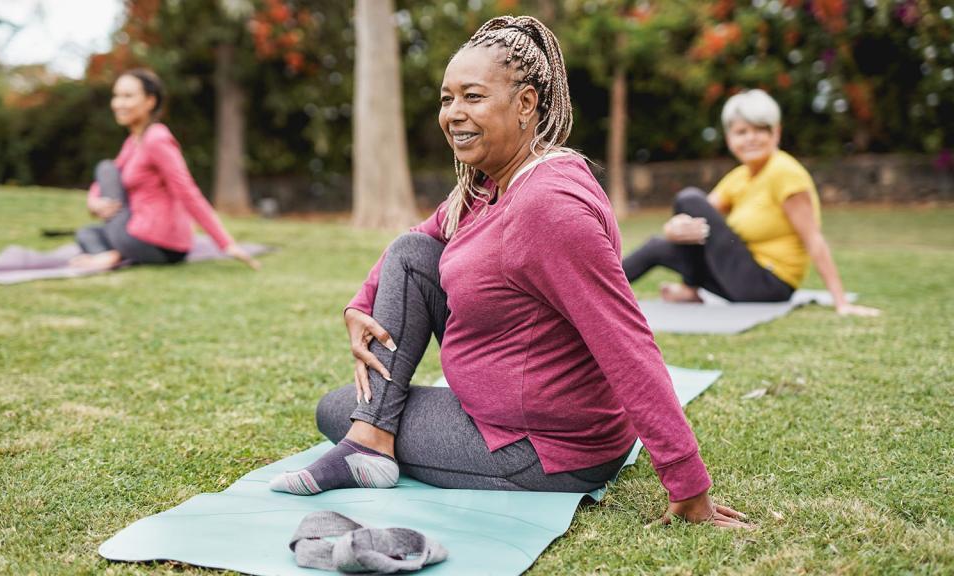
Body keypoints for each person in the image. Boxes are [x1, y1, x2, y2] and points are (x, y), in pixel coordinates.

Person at [270, 16, 749, 529]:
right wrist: (359, 304)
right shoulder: (489, 184)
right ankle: (371, 438)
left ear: (525, 104)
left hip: (544, 448)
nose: (454, 113)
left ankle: (369, 439)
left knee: (336, 408)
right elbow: (419, 239)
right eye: (446, 98)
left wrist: (688, 484)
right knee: (411, 254)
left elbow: (625, 341)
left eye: (472, 97)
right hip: (508, 416)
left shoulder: (548, 207)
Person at [622, 89, 879, 316]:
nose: (750, 138)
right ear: (729, 138)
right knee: (658, 245)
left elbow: (813, 238)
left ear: (776, 132)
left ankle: (689, 289)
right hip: (738, 277)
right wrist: (673, 229)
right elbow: (698, 216)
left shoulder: (785, 172)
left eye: (760, 130)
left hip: (768, 283)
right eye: (742, 132)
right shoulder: (740, 177)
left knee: (688, 197)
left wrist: (841, 302)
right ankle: (592, 297)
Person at [72, 69, 258, 271]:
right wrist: (94, 202)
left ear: (150, 101)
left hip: (155, 241)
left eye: (127, 96)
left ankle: (113, 254)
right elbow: (106, 180)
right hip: (138, 236)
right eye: (116, 96)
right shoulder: (133, 142)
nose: (118, 104)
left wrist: (226, 243)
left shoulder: (156, 138)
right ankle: (112, 255)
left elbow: (187, 192)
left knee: (105, 167)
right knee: (86, 233)